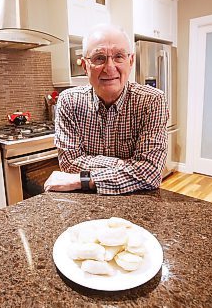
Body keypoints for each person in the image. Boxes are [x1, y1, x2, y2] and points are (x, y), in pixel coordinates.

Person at [43, 24, 169, 194]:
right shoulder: (69, 101)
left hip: (136, 201)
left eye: (118, 56)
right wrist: (122, 164)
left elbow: (150, 173)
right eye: (99, 58)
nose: (110, 68)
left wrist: (85, 178)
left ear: (130, 62)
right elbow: (69, 163)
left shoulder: (152, 101)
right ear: (85, 66)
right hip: (86, 202)